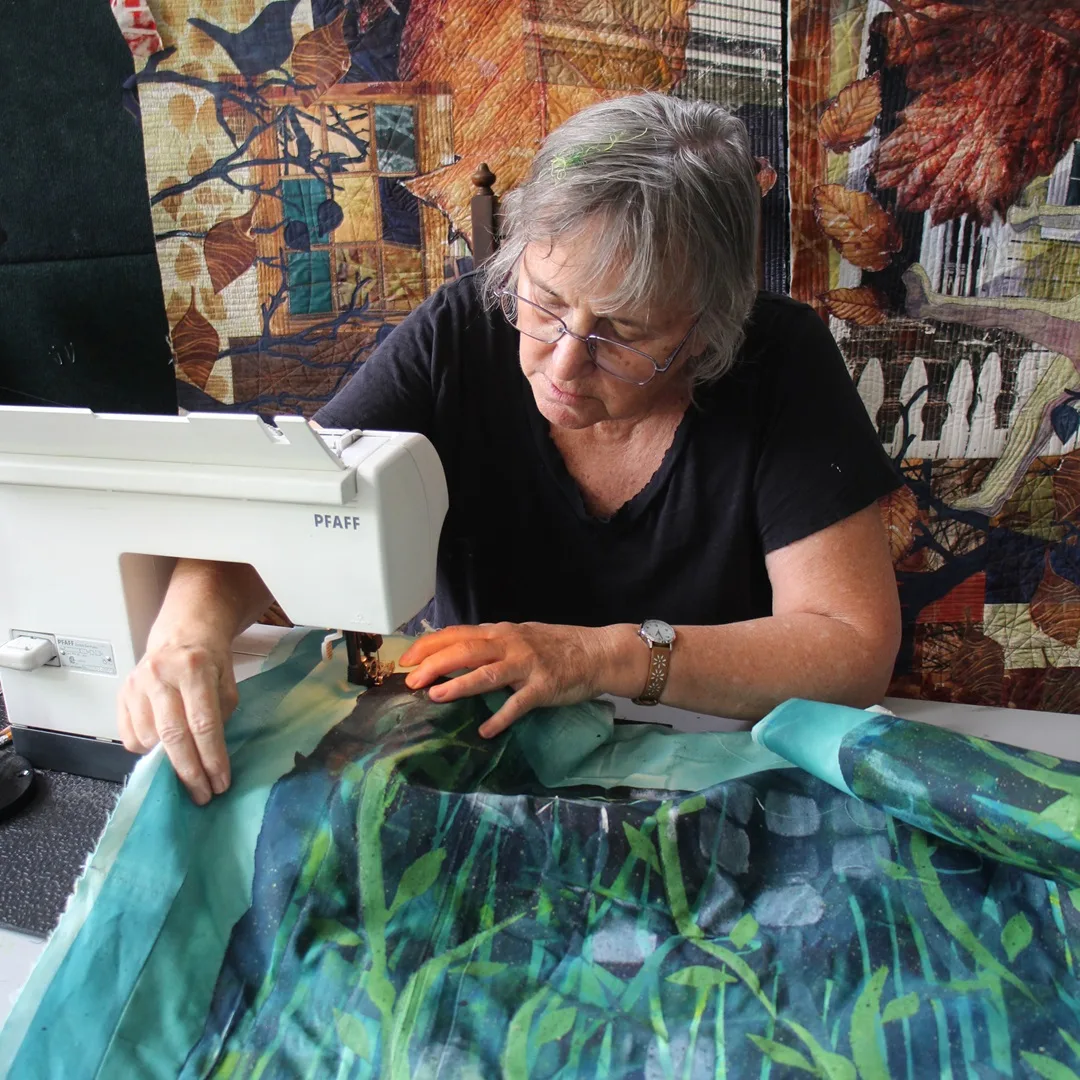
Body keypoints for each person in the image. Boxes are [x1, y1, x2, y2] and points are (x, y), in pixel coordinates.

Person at [119, 92, 902, 806]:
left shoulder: (781, 362)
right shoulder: (460, 334)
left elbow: (852, 646)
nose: (562, 363)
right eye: (546, 302)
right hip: (482, 758)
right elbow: (285, 508)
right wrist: (187, 634)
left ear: (707, 329)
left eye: (623, 334)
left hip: (707, 763)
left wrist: (598, 658)